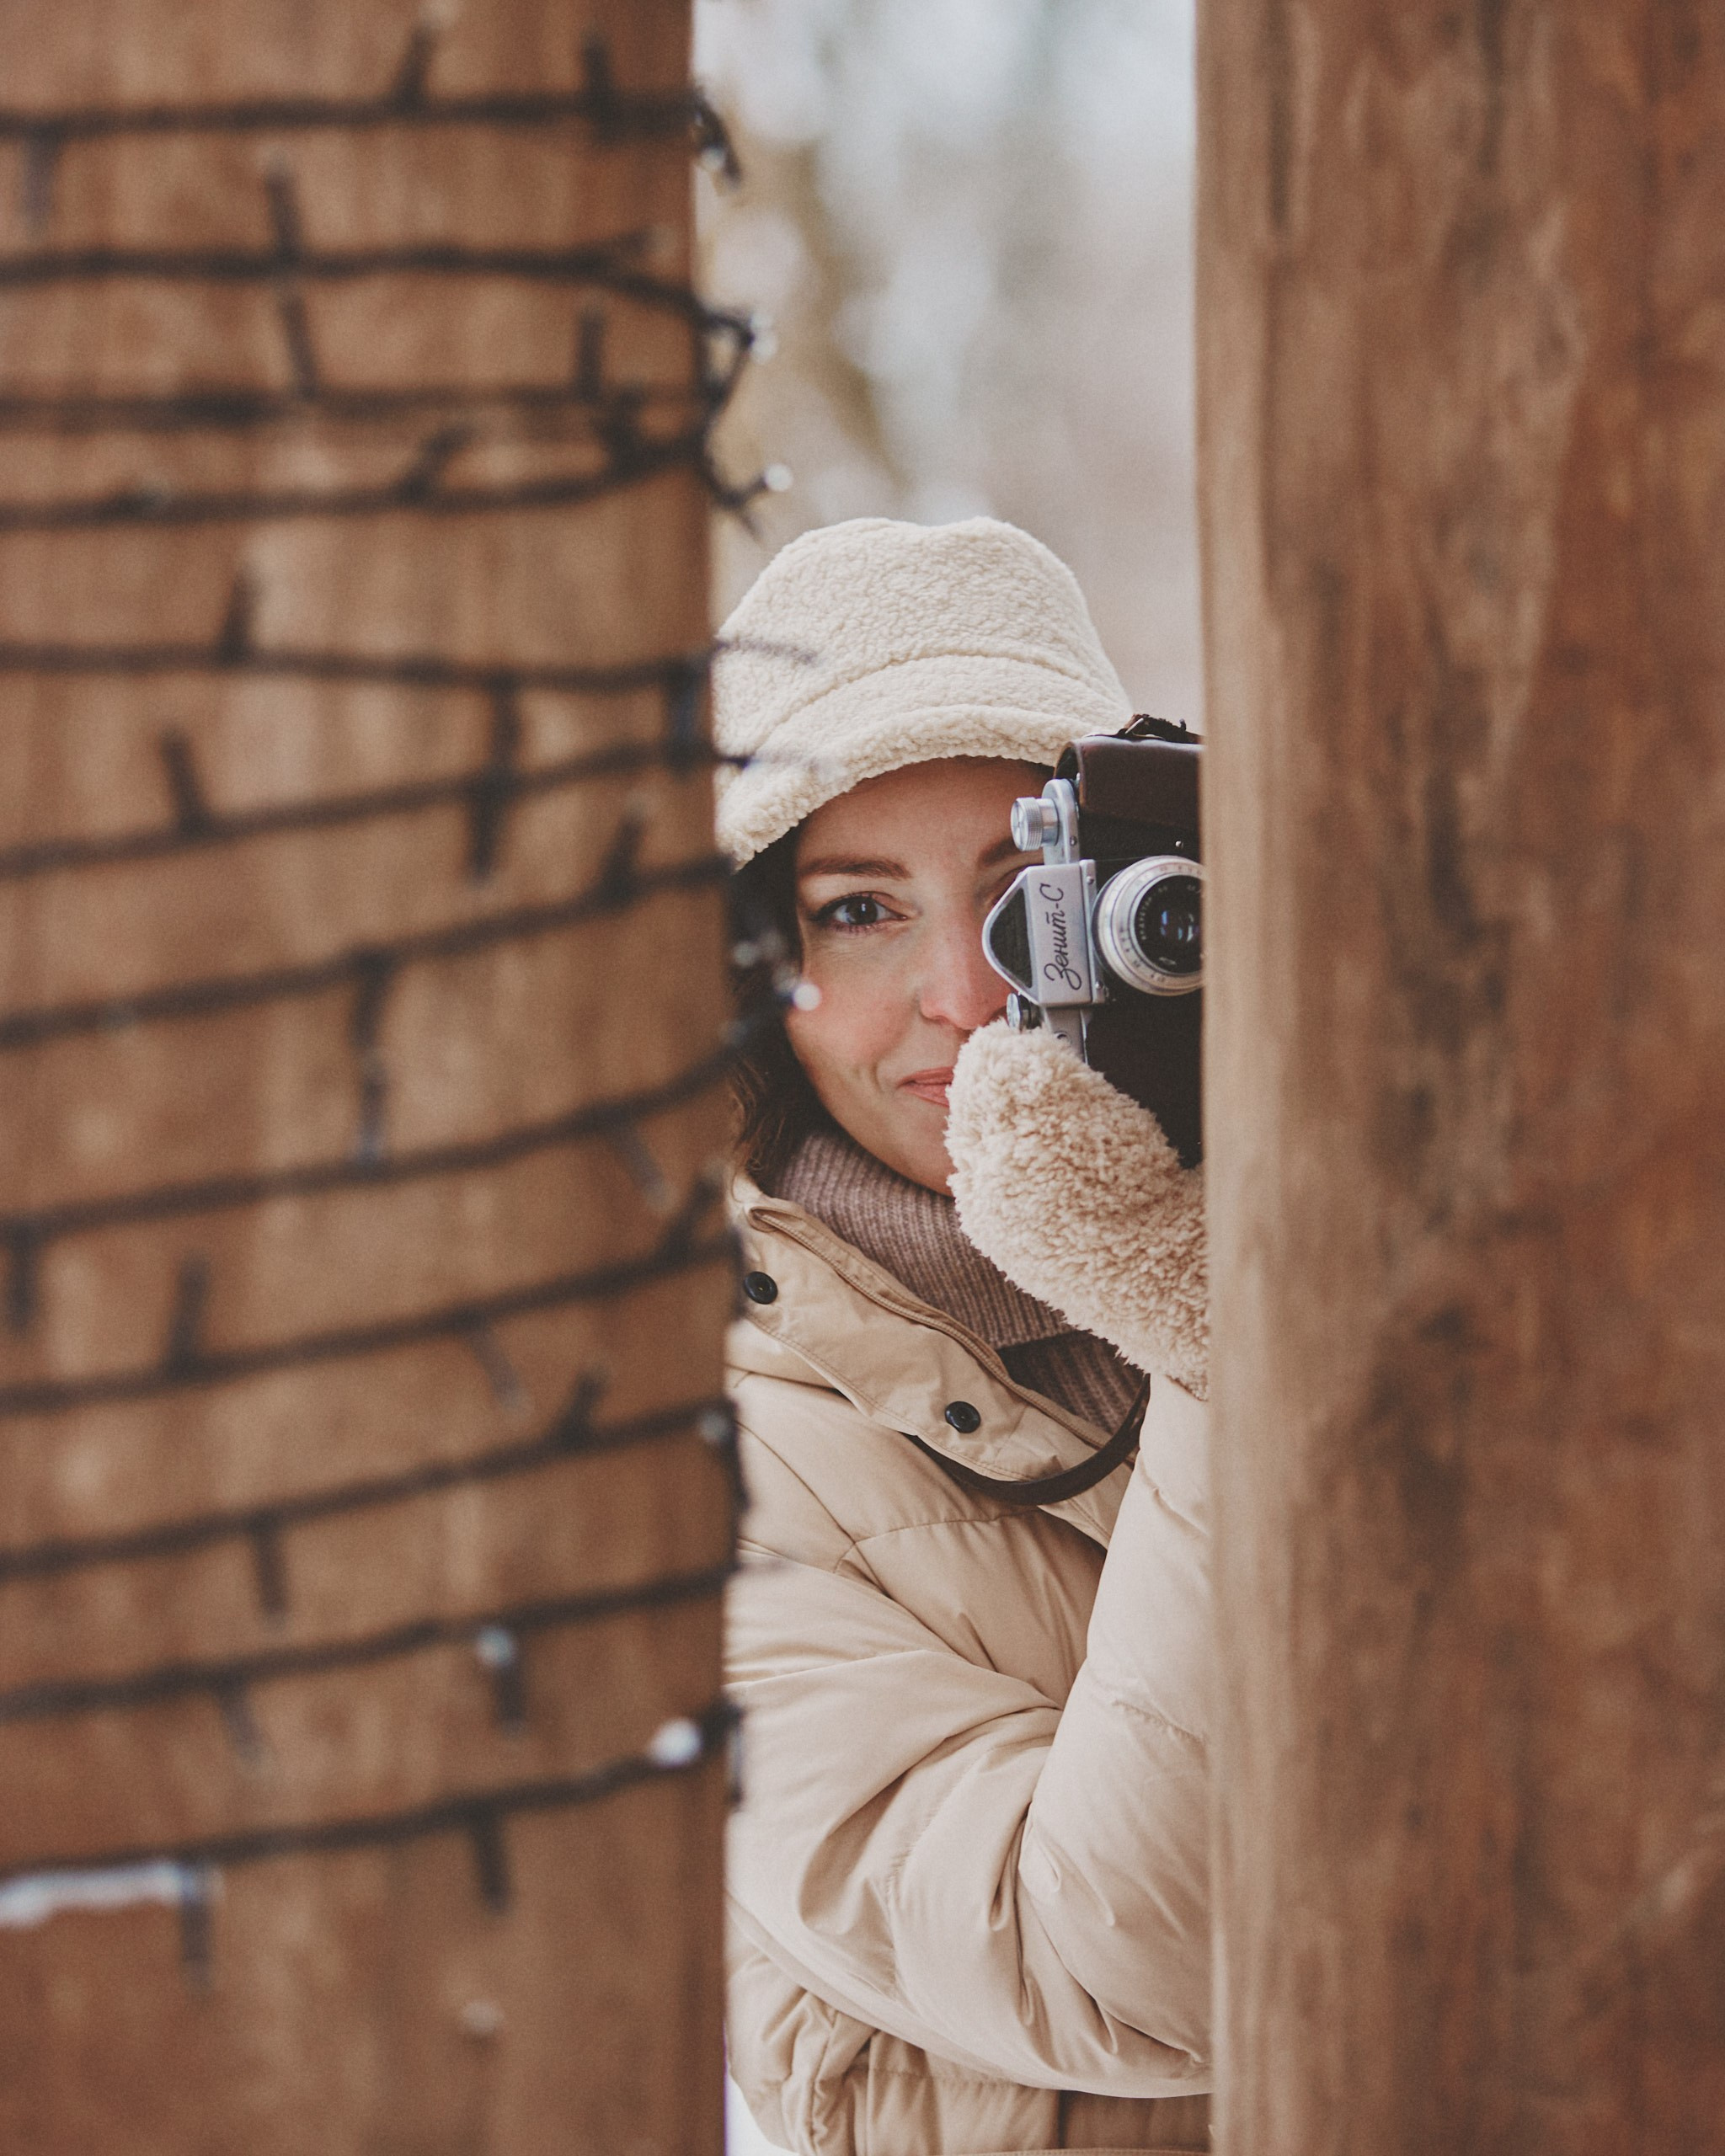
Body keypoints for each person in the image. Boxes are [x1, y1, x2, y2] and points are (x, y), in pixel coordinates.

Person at [715, 517, 1212, 2156]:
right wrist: (1220, 1337)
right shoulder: (696, 1447)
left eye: (1024, 898)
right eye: (858, 909)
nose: (966, 992)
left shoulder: (1355, 1220)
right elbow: (1129, 1961)